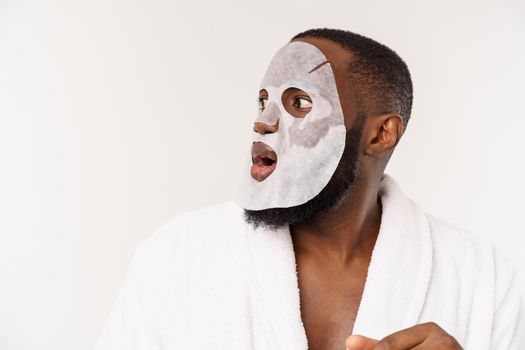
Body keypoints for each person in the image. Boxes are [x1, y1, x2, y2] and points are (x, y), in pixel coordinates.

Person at [94, 28, 524, 350]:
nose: (263, 120)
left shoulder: (483, 279)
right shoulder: (177, 256)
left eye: (298, 102)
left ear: (381, 135)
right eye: (263, 99)